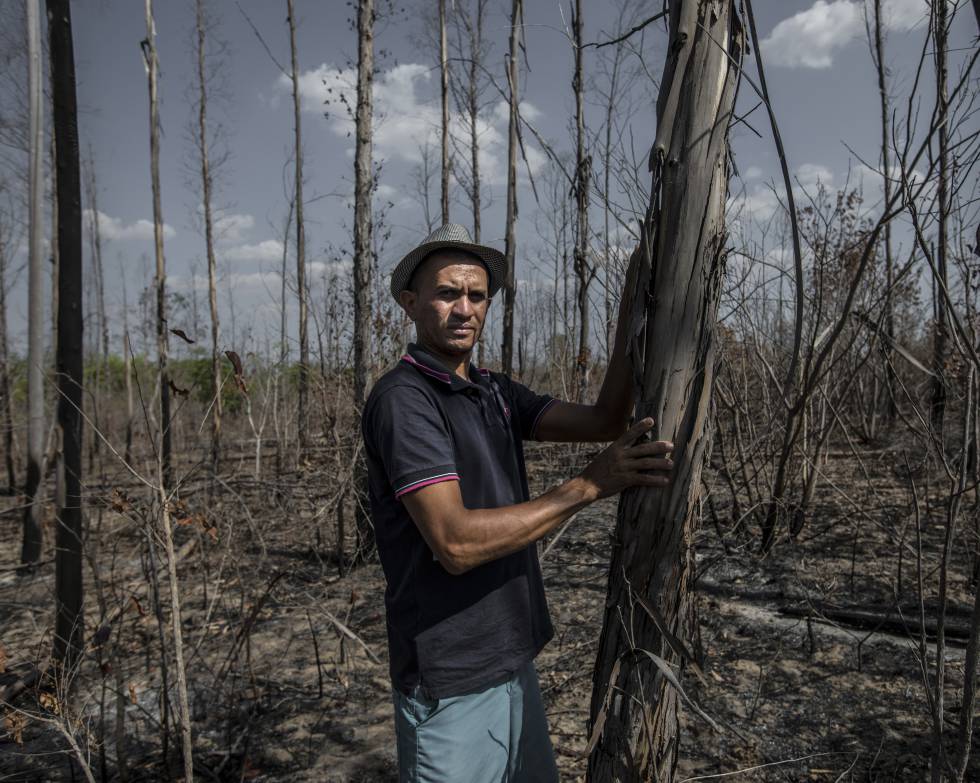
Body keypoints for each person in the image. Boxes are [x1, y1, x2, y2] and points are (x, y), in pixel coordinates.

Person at [361, 224, 674, 782]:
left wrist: (634, 302)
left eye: (477, 296)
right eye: (446, 293)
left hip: (511, 658)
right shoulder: (404, 400)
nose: (464, 308)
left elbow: (603, 419)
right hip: (450, 676)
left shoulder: (494, 392)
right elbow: (454, 542)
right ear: (410, 303)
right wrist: (587, 487)